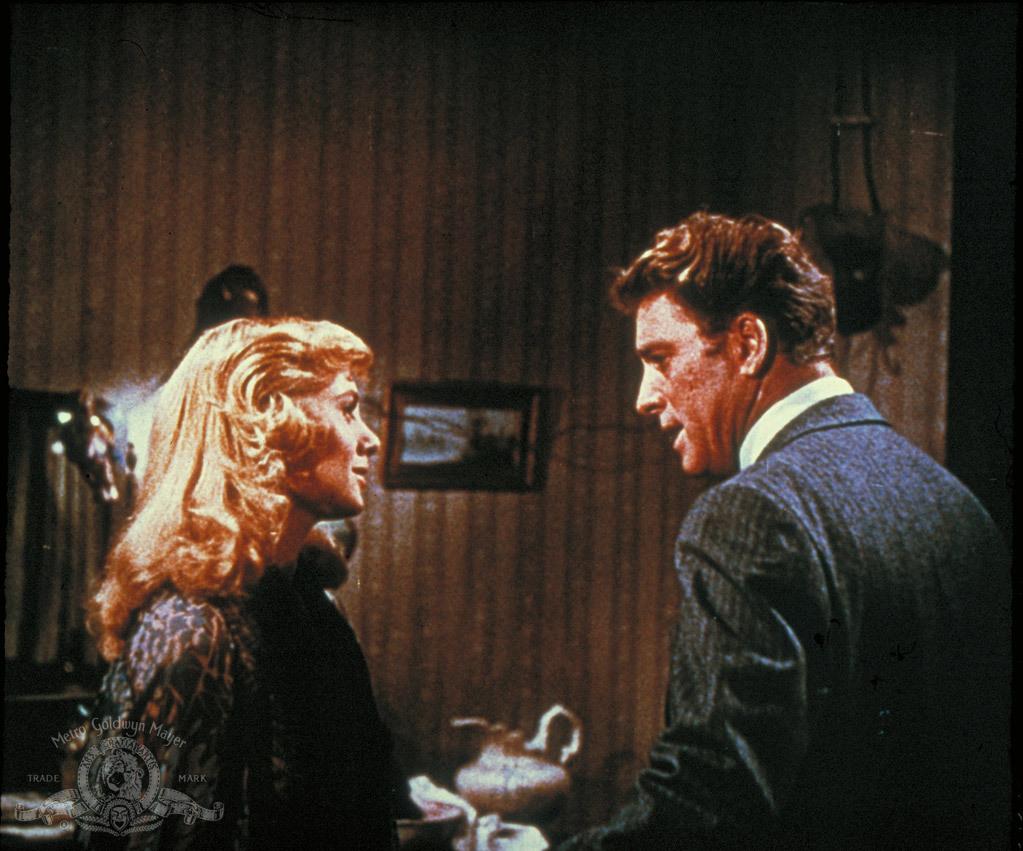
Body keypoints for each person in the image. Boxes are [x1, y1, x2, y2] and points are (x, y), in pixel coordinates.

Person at [554, 212, 1010, 849]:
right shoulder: (957, 505)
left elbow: (703, 809)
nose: (645, 397)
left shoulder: (750, 512)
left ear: (748, 344)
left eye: (660, 358)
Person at [85, 317, 413, 849]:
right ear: (268, 425)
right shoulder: (192, 629)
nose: (370, 440)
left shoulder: (310, 606)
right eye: (347, 409)